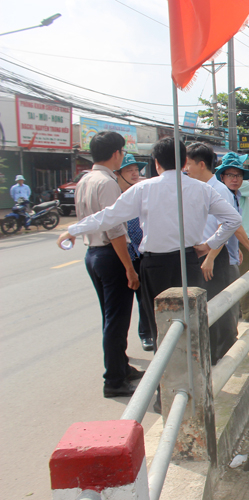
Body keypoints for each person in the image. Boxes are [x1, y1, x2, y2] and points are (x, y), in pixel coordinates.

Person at [58, 138, 242, 366]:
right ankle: (195, 379)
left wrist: (73, 230)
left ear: (156, 163)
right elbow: (233, 219)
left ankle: (164, 390)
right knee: (191, 321)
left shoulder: (144, 189)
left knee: (160, 327)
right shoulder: (202, 189)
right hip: (189, 261)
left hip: (155, 267)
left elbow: (109, 216)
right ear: (184, 161)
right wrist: (209, 244)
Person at [62, 131, 141, 398]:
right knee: (117, 320)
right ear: (117, 153)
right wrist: (129, 267)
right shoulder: (107, 183)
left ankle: (121, 366)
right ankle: (114, 380)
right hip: (110, 255)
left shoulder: (85, 179)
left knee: (111, 318)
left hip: (93, 254)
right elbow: (115, 229)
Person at [114, 154, 154, 352]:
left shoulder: (144, 192)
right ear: (118, 174)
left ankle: (146, 333)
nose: (134, 173)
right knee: (122, 306)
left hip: (143, 253)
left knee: (145, 298)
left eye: (136, 170)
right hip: (123, 255)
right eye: (129, 170)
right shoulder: (114, 196)